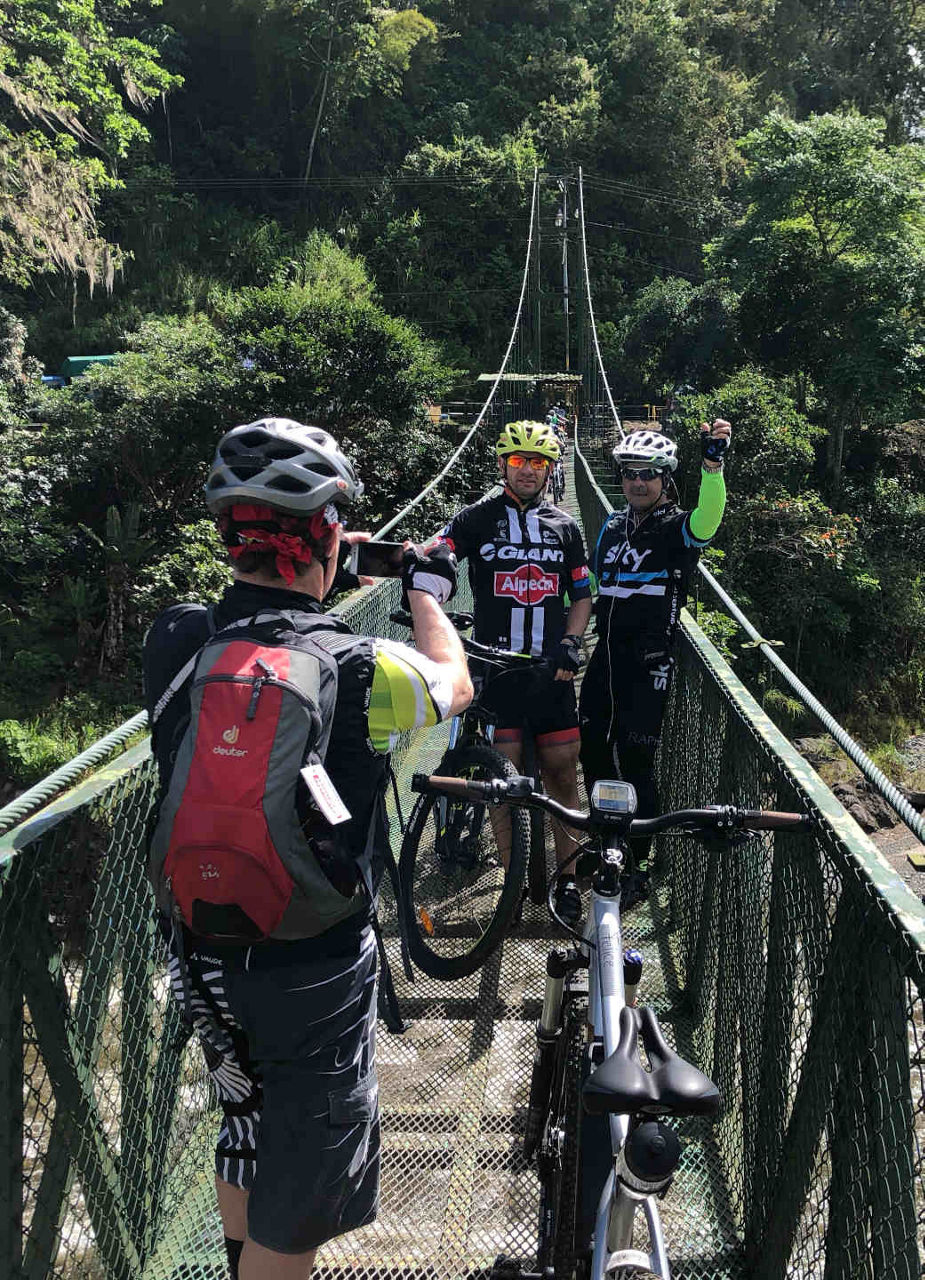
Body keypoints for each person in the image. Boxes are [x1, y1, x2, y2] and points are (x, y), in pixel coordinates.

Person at [143, 417, 472, 1280]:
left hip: (199, 951)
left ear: (229, 536)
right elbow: (458, 686)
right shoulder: (369, 667)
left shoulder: (176, 642)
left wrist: (328, 556)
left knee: (244, 1127)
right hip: (313, 964)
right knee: (302, 1198)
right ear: (328, 535)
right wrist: (426, 590)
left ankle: (234, 1262)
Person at [434, 419, 592, 921]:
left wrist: (572, 642)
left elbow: (582, 595)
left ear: (550, 469)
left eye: (539, 462)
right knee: (505, 781)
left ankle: (567, 880)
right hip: (497, 671)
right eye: (519, 461)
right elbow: (436, 557)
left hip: (551, 672)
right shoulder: (474, 519)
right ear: (502, 464)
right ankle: (513, 881)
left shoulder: (564, 527)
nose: (528, 470)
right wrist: (400, 565)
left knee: (563, 771)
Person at [579, 420, 731, 858]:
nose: (637, 482)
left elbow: (707, 522)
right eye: (629, 472)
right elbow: (589, 583)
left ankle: (639, 861)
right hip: (603, 656)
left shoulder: (675, 526)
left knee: (636, 762)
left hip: (650, 662)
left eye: (648, 473)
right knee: (592, 751)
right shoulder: (611, 525)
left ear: (665, 478)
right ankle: (605, 842)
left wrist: (712, 466)